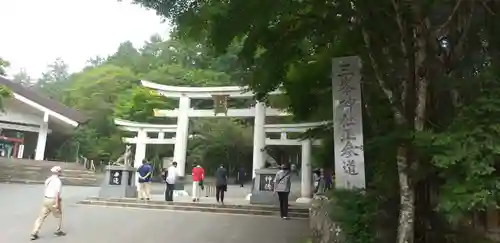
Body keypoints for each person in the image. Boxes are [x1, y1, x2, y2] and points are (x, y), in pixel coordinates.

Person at [30, 166, 66, 240]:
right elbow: (57, 193)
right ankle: (58, 230)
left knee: (41, 217)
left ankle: (34, 233)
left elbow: (46, 188)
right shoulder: (58, 181)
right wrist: (57, 203)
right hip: (53, 199)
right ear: (59, 173)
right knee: (58, 215)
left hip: (46, 199)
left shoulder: (48, 179)